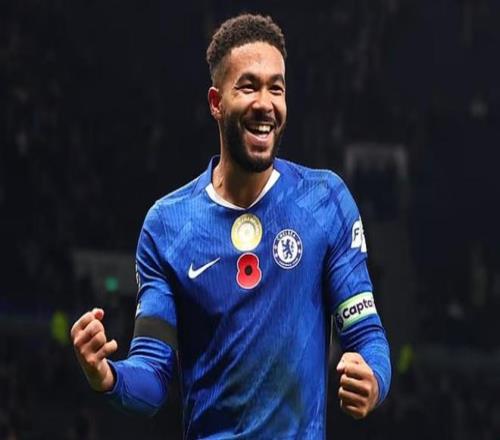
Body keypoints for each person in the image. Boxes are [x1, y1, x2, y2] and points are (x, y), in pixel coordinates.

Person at [71, 13, 391, 439]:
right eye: (248, 86)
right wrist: (106, 376)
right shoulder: (167, 226)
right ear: (216, 102)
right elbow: (151, 375)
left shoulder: (325, 201)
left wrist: (374, 379)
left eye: (276, 88)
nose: (265, 103)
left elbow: (367, 335)